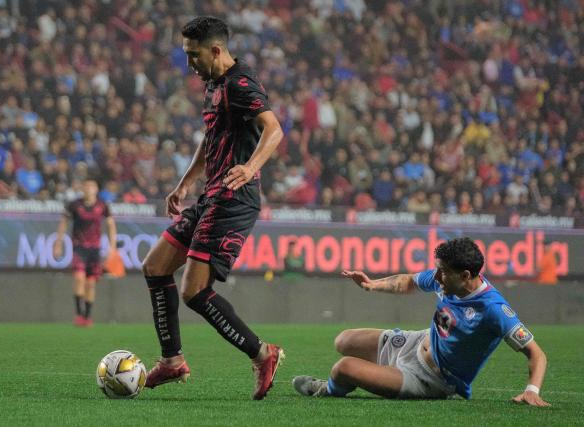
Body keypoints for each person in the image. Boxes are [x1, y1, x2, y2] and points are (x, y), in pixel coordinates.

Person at [141, 16, 285, 400]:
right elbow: (212, 139)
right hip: (210, 195)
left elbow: (274, 129)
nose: (189, 63)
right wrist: (186, 181)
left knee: (194, 291)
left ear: (216, 50)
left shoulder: (240, 83)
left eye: (193, 55)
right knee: (155, 268)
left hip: (234, 199)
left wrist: (251, 166)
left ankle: (263, 353)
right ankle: (172, 361)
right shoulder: (213, 84)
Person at [293, 237, 550, 407]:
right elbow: (409, 281)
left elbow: (536, 354)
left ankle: (327, 389)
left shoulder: (493, 309)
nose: (436, 276)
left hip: (430, 379)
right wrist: (372, 285)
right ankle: (383, 371)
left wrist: (532, 391)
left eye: (443, 272)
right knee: (343, 340)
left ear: (466, 275)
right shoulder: (445, 279)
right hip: (415, 343)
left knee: (343, 368)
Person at [53, 179, 117, 327]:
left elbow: (110, 225)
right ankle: (78, 314)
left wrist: (112, 247)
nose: (88, 189)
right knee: (79, 278)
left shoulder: (102, 205)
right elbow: (63, 223)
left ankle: (87, 316)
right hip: (79, 248)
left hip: (95, 250)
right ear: (82, 188)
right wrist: (58, 243)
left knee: (90, 283)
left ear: (96, 189)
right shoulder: (74, 205)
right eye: (86, 186)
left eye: (92, 186)